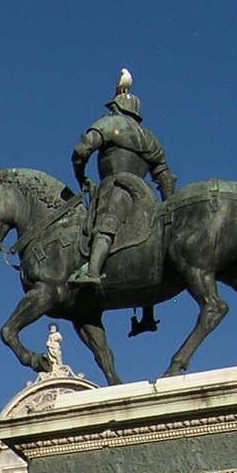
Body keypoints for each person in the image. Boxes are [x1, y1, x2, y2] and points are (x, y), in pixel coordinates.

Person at [69, 69, 179, 334]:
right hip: (145, 196)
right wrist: (169, 206)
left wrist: (81, 175)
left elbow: (81, 150)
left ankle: (93, 271)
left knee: (105, 225)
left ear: (116, 107)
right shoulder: (152, 139)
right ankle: (147, 313)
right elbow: (165, 179)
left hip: (116, 187)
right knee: (146, 242)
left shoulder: (110, 124)